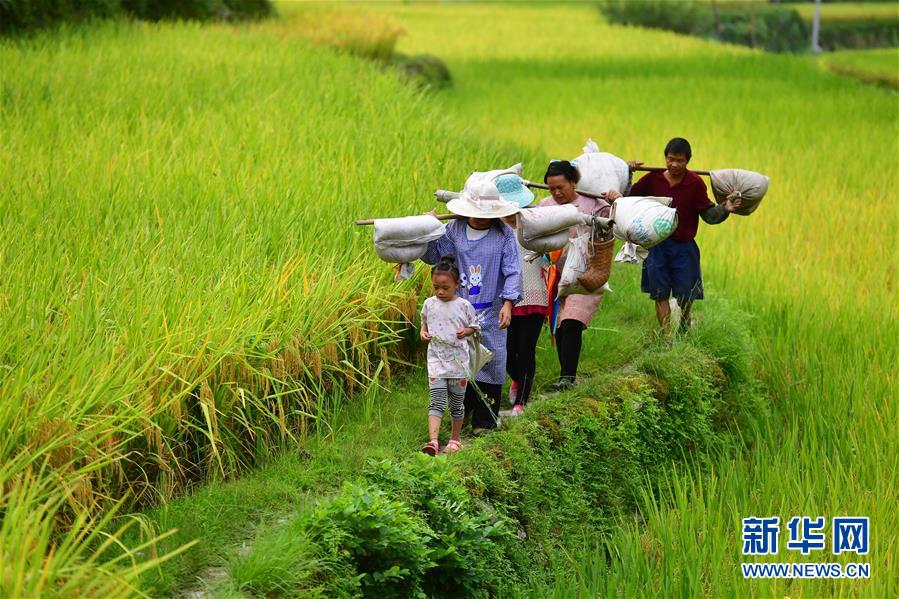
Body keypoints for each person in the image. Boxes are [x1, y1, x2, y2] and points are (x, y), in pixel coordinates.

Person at [606, 137, 740, 333]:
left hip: (684, 247)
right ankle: (666, 337)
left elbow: (709, 215)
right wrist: (628, 173)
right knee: (660, 293)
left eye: (680, 160)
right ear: (665, 158)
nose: (674, 164)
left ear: (688, 161)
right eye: (670, 159)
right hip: (656, 246)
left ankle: (684, 322)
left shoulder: (695, 184)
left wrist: (725, 208)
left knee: (686, 294)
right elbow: (629, 200)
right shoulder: (653, 179)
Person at [423, 177, 523, 431]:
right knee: (460, 363)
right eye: (476, 213)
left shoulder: (503, 236)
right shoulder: (455, 230)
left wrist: (509, 303)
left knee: (493, 361)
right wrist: (428, 227)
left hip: (492, 309)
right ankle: (461, 416)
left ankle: (485, 420)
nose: (480, 218)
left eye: (485, 214)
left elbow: (512, 270)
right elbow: (436, 255)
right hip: (459, 310)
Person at [538, 160, 612, 391]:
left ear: (573, 182)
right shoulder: (544, 206)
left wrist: (614, 200)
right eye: (552, 189)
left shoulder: (593, 203)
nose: (557, 193)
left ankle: (567, 377)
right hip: (555, 274)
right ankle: (565, 376)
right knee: (559, 326)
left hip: (586, 273)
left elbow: (614, 223)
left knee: (572, 322)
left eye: (561, 187)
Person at [419, 256, 480, 455]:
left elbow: (476, 326)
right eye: (436, 287)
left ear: (456, 284)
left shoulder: (464, 306)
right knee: (436, 402)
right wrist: (423, 332)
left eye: (445, 287)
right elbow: (424, 323)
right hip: (436, 361)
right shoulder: (429, 304)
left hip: (458, 364)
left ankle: (455, 438)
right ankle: (433, 441)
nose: (440, 291)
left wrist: (467, 331)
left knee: (456, 403)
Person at [501, 210, 549, 416]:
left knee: (526, 349)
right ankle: (520, 379)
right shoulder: (496, 230)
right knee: (506, 351)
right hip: (505, 300)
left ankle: (521, 401)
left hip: (534, 293)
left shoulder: (535, 227)